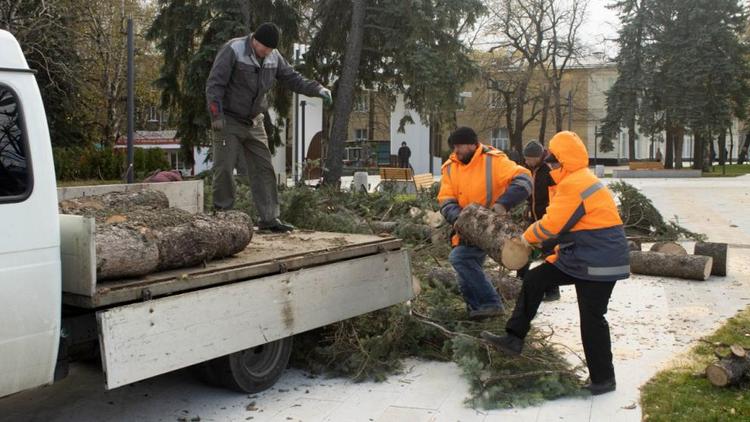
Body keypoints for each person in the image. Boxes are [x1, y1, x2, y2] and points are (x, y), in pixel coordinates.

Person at [481, 131, 629, 396]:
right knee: (536, 279)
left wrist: (524, 240)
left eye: (552, 158)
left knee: (592, 318)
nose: (549, 163)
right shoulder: (574, 180)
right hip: (585, 255)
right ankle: (514, 338)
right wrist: (555, 257)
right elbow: (575, 229)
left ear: (563, 159)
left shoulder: (576, 183)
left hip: (600, 262)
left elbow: (552, 225)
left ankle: (604, 379)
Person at [206, 22, 332, 232]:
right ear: (254, 40)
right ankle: (222, 216)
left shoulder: (274, 57)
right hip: (228, 121)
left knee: (264, 169)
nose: (266, 52)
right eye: (263, 47)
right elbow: (214, 84)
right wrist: (216, 115)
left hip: (255, 121)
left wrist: (317, 89)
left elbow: (293, 79)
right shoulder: (233, 50)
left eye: (270, 49)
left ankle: (269, 219)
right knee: (225, 168)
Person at [437, 127, 533, 320]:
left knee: (460, 259)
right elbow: (446, 199)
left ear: (473, 144)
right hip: (464, 228)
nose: (456, 150)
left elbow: (524, 180)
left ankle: (491, 303)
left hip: (491, 227)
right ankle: (477, 312)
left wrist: (502, 204)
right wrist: (460, 219)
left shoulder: (494, 161)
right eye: (454, 146)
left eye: (460, 146)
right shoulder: (449, 166)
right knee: (466, 270)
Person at [517, 140, 559, 301]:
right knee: (525, 247)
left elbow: (556, 195)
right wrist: (527, 206)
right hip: (532, 216)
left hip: (547, 217)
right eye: (526, 158)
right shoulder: (529, 169)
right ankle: (519, 282)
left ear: (538, 157)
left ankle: (553, 290)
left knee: (549, 253)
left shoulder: (549, 170)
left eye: (529, 159)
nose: (526, 161)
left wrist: (551, 214)